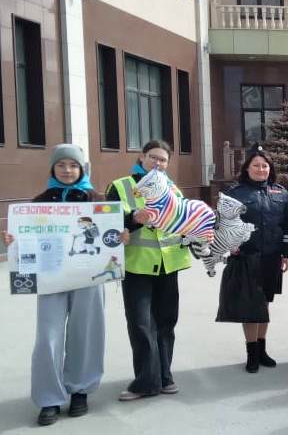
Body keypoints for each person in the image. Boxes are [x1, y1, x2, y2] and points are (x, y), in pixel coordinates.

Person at [3, 144, 106, 425]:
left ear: (82, 168)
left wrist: (120, 237)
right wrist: (13, 240)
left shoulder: (97, 200)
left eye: (73, 165)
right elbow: (25, 235)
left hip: (88, 276)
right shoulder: (38, 202)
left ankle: (80, 389)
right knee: (48, 336)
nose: (67, 170)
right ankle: (49, 398)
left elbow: (110, 233)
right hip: (50, 278)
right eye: (61, 165)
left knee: (86, 331)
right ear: (52, 168)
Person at [106, 140, 192, 401]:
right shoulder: (120, 186)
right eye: (153, 157)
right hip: (137, 265)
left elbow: (183, 222)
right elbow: (109, 224)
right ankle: (146, 382)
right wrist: (133, 219)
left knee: (166, 324)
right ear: (141, 157)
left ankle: (165, 377)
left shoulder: (174, 189)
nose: (158, 163)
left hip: (168, 265)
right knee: (142, 326)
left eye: (163, 160)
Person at [216, 144, 288, 373]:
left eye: (265, 166)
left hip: (272, 257)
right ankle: (252, 353)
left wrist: (287, 253)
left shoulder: (281, 193)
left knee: (264, 304)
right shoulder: (234, 194)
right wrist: (230, 244)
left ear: (270, 168)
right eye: (256, 165)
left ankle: (262, 350)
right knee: (251, 306)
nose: (261, 169)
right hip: (246, 258)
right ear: (247, 168)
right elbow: (221, 224)